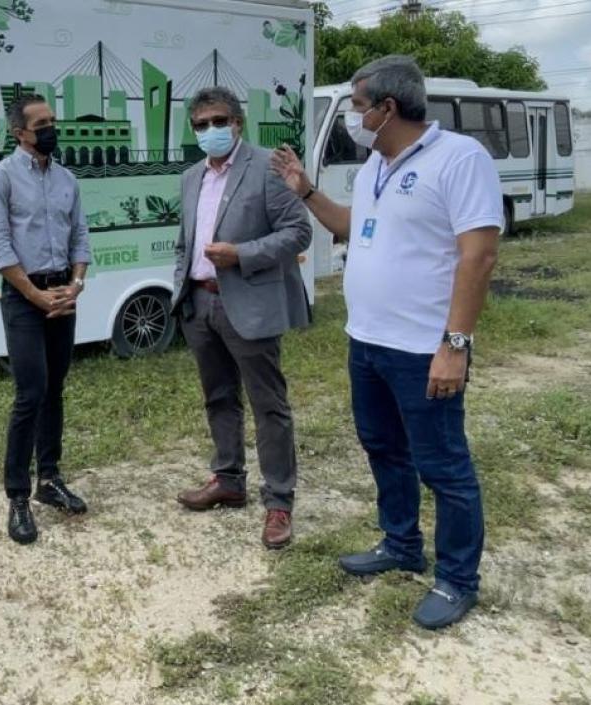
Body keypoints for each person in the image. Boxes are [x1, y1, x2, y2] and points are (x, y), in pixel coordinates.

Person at [272, 55, 501, 629]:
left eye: (356, 107)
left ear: (387, 108)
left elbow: (479, 253)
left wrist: (455, 344)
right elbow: (354, 226)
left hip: (423, 348)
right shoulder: (377, 162)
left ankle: (456, 580)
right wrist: (305, 191)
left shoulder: (459, 159)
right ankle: (400, 543)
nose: (353, 118)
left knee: (444, 466)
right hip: (367, 341)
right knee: (383, 448)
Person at [171, 86, 312, 550]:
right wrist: (182, 291)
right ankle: (228, 478)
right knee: (218, 398)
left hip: (249, 303)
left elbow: (298, 231)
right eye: (201, 124)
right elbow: (184, 240)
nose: (209, 130)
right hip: (200, 304)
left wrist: (242, 254)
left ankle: (278, 502)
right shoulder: (192, 176)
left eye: (217, 121)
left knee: (268, 405)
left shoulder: (267, 168)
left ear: (237, 123)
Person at [0, 94, 91, 545]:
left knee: (56, 388)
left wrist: (76, 284)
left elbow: (80, 234)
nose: (51, 128)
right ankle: (18, 496)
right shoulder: (0, 178)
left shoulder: (66, 179)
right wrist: (35, 296)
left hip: (63, 292)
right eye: (41, 123)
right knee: (31, 392)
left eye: (53, 121)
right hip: (25, 297)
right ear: (19, 132)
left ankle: (50, 479)